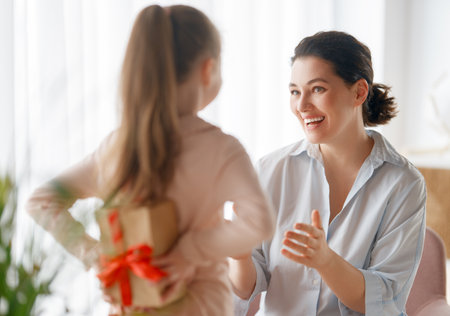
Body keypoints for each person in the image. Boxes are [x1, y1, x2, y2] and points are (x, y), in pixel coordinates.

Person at [26, 5, 275, 316]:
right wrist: (189, 252)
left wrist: (101, 259)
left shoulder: (115, 148)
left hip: (132, 305)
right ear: (208, 69)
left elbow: (42, 200)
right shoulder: (222, 150)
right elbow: (260, 223)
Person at [229, 31, 426, 316]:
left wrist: (325, 261)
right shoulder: (271, 169)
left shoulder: (402, 183)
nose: (302, 105)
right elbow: (245, 287)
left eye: (317, 89)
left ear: (359, 91)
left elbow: (385, 300)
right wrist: (239, 255)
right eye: (295, 91)